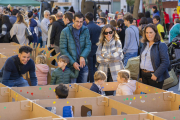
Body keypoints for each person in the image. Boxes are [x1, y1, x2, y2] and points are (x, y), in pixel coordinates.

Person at [60, 12, 91, 83]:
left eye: (81, 22)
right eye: (77, 21)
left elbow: (88, 45)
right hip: (70, 66)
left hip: (83, 64)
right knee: (72, 90)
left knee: (83, 89)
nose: (79, 24)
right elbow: (63, 49)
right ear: (73, 20)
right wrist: (73, 62)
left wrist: (83, 56)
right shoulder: (65, 31)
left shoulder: (85, 30)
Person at [139, 24, 170, 89]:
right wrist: (140, 75)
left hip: (154, 76)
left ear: (155, 33)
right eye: (147, 32)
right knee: (146, 98)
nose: (148, 35)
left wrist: (156, 74)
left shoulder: (161, 45)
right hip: (144, 75)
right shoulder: (144, 44)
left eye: (151, 32)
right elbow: (141, 60)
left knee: (154, 98)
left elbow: (166, 62)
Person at [96, 24, 124, 95]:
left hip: (115, 71)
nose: (108, 34)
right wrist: (109, 59)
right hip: (103, 71)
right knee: (104, 90)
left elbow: (118, 56)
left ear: (113, 32)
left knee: (111, 91)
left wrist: (104, 55)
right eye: (106, 33)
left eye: (110, 32)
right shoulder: (101, 44)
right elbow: (98, 58)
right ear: (103, 34)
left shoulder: (117, 42)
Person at [85, 12, 101, 83]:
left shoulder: (87, 28)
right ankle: (96, 80)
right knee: (95, 67)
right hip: (97, 47)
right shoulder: (98, 27)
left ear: (86, 19)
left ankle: (92, 82)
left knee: (90, 67)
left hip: (90, 48)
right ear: (93, 19)